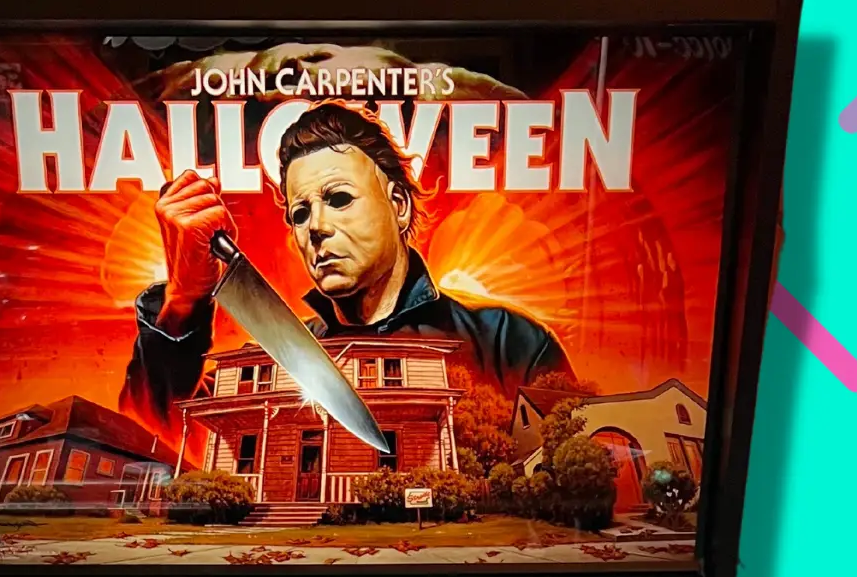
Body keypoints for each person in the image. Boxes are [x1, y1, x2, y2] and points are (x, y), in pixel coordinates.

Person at [119, 102, 574, 430]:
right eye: (299, 213)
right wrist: (182, 304)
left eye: (339, 199)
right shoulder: (277, 356)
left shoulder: (511, 344)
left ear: (398, 205)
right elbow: (158, 431)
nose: (316, 227)